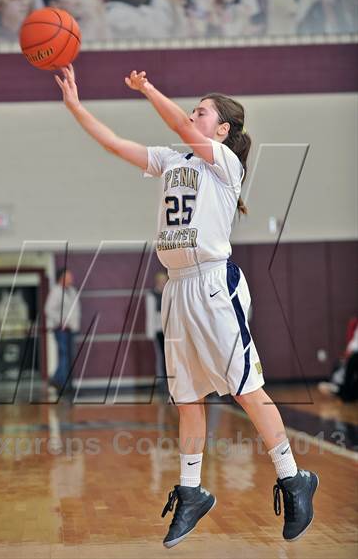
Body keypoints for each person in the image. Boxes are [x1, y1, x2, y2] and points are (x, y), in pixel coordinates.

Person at [54, 64, 318, 547]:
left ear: (222, 130)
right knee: (186, 400)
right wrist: (75, 107)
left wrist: (147, 88)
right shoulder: (174, 161)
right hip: (176, 288)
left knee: (245, 390)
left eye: (201, 112)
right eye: (193, 110)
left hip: (215, 285)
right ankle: (193, 492)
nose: (191, 117)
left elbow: (176, 124)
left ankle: (292, 476)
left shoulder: (224, 164)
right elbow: (114, 144)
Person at [45, 267, 81, 393]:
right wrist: (62, 321)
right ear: (62, 278)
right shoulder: (56, 292)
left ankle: (62, 383)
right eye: (68, 276)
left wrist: (75, 326)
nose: (71, 278)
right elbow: (49, 310)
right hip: (61, 329)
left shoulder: (72, 291)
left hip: (71, 329)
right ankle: (59, 381)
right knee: (65, 355)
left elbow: (75, 311)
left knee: (69, 357)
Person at [145, 271, 168, 395]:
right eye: (161, 280)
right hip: (159, 330)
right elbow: (150, 315)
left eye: (165, 280)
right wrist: (151, 332)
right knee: (161, 356)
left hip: (170, 330)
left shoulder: (170, 292)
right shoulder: (151, 295)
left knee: (170, 357)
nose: (163, 283)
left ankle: (171, 380)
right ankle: (162, 381)